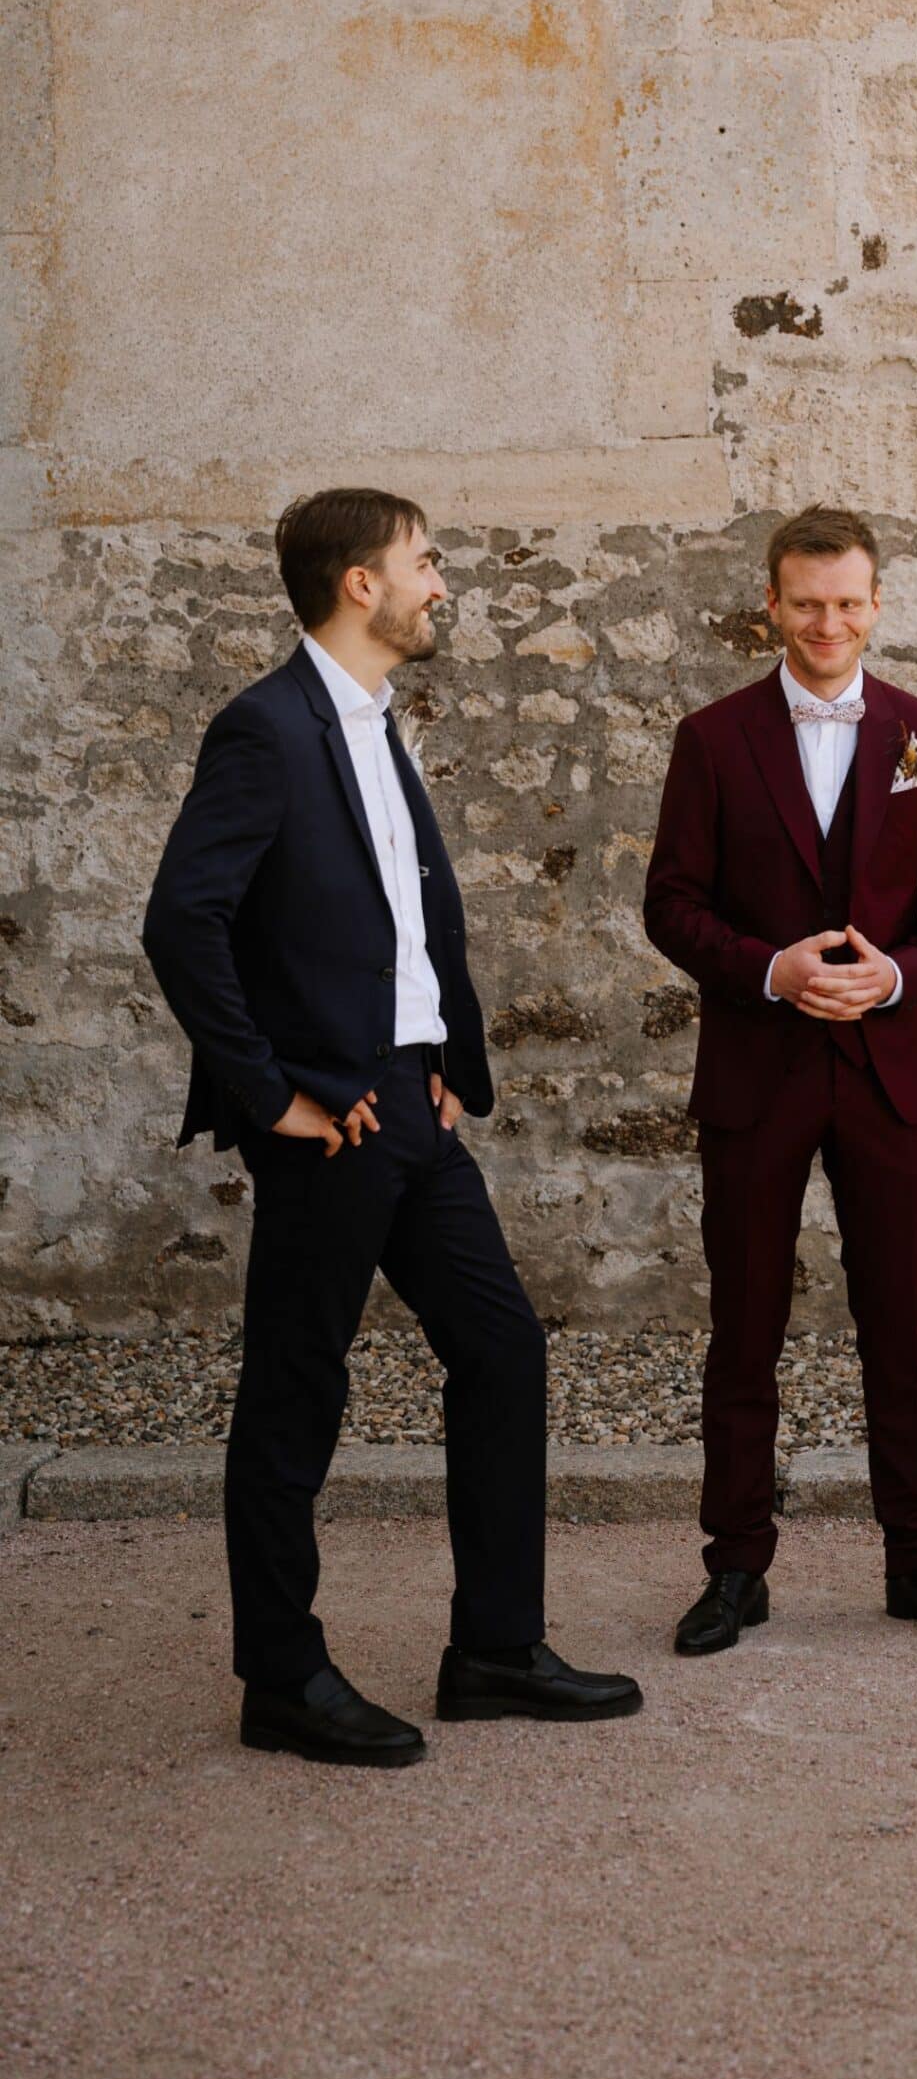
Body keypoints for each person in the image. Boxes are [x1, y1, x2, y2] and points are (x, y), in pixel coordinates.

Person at [143, 487, 642, 1765]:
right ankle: (282, 1678)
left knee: (502, 1348)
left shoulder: (372, 720)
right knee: (297, 1390)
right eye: (424, 561)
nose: (440, 582)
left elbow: (397, 923)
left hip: (414, 1104)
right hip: (332, 1123)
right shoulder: (266, 728)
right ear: (360, 582)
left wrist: (442, 1057)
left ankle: (495, 1648)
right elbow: (183, 922)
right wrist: (273, 1093)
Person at [643, 504, 917, 1655]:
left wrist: (897, 976)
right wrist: (770, 969)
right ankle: (735, 1567)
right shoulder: (713, 738)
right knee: (744, 1326)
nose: (828, 622)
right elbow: (671, 903)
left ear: (876, 604)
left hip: (888, 1075)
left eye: (848, 602)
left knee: (899, 1323)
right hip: (758, 1071)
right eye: (807, 603)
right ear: (773, 604)